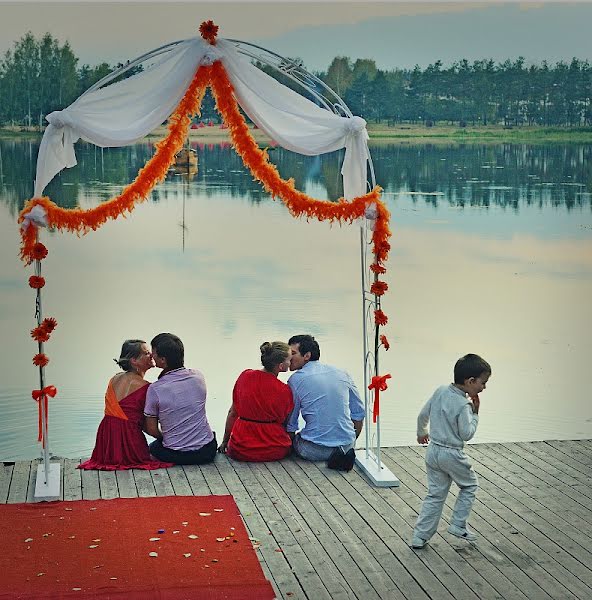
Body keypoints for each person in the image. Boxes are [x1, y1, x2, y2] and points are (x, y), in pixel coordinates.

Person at [410, 353, 491, 549]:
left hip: (433, 450)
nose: (484, 387)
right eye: (483, 382)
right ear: (470, 381)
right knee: (469, 485)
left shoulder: (440, 391)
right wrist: (475, 414)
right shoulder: (463, 404)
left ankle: (420, 536)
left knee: (435, 494)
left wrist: (422, 432)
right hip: (452, 453)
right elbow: (466, 434)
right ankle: (457, 524)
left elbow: (423, 414)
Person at [78, 340, 174, 471]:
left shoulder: (114, 379)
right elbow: (149, 428)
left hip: (106, 439)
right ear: (134, 360)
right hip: (128, 439)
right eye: (146, 353)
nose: (151, 355)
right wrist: (165, 438)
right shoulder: (146, 387)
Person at [286, 334, 365, 463]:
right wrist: (350, 440)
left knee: (298, 438)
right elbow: (359, 413)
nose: (288, 357)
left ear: (307, 356)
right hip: (346, 447)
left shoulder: (296, 379)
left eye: (293, 353)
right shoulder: (342, 373)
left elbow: (291, 423)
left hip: (314, 450)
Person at [144, 333, 217, 465]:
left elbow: (152, 429)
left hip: (176, 454)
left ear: (163, 360)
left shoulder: (155, 389)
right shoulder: (198, 377)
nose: (151, 356)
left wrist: (167, 438)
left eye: (153, 353)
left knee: (153, 448)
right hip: (207, 451)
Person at [218, 341, 294, 461]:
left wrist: (225, 441)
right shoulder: (284, 390)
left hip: (241, 449)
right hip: (274, 449)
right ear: (280, 366)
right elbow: (283, 420)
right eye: (289, 360)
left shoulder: (245, 376)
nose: (291, 362)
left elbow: (233, 413)